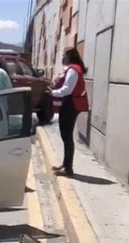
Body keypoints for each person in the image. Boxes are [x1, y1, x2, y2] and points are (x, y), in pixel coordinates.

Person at [51, 47, 89, 176]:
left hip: (70, 105)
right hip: (70, 104)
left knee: (66, 136)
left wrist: (52, 93)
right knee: (66, 136)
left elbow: (67, 89)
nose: (62, 58)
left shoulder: (73, 69)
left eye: (64, 55)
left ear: (69, 56)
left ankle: (68, 168)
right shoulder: (73, 68)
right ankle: (66, 164)